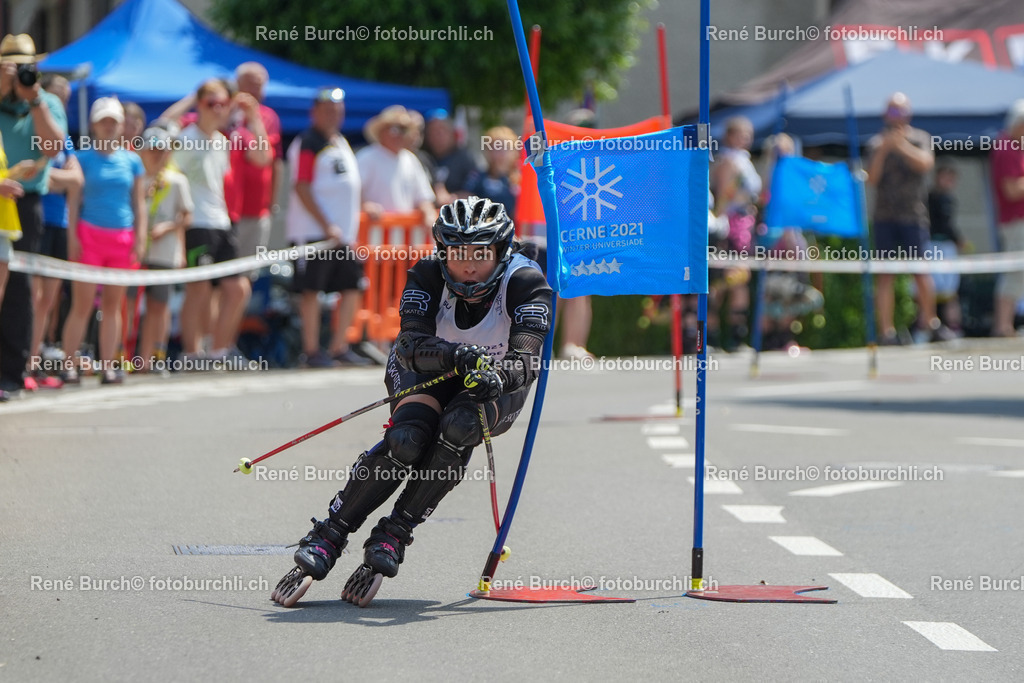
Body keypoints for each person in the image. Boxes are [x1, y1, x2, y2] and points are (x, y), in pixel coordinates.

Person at [271, 196, 552, 607]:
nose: (469, 265)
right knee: (407, 440)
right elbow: (409, 344)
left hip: (495, 378)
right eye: (457, 254)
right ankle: (329, 534)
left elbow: (527, 358)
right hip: (432, 366)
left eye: (480, 254)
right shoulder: (427, 275)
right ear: (442, 251)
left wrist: (498, 375)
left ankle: (394, 533)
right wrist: (454, 355)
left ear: (502, 252)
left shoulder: (526, 282)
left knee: (460, 427)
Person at [60, 97, 146, 385]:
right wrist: (72, 237)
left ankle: (108, 366)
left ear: (122, 126)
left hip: (122, 237)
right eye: (103, 121)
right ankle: (69, 364)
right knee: (82, 304)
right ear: (94, 125)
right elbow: (73, 203)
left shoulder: (132, 160)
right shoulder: (81, 159)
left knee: (113, 304)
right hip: (89, 235)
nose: (109, 126)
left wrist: (140, 238)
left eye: (114, 121)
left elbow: (139, 203)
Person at [0, 34, 67, 398]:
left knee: (18, 288)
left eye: (26, 66)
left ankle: (11, 372)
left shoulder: (47, 101)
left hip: (25, 203)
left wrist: (34, 99)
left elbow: (54, 147)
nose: (20, 73)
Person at [285, 87, 368, 367]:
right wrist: (326, 224)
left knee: (352, 287)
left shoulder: (340, 142)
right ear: (315, 112)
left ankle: (338, 346)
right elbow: (302, 186)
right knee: (311, 291)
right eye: (328, 110)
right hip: (314, 233)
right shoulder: (309, 142)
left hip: (341, 235)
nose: (334, 115)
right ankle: (310, 350)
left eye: (338, 110)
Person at [173, 79, 251, 363]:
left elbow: (263, 158)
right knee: (199, 289)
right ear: (199, 105)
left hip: (221, 222)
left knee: (238, 288)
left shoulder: (222, 140)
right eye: (210, 103)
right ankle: (191, 353)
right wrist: (192, 99)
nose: (218, 109)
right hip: (196, 223)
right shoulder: (184, 136)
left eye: (223, 104)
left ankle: (219, 349)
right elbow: (158, 126)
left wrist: (252, 116)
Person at [867, 92, 953, 344]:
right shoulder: (875, 143)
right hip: (884, 217)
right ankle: (886, 332)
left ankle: (930, 323)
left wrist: (901, 146)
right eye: (892, 112)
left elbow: (925, 164)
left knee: (921, 271)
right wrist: (884, 150)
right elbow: (870, 179)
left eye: (900, 111)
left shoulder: (920, 138)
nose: (896, 117)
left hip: (913, 217)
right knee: (885, 275)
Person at [30, 74, 82, 390]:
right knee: (32, 296)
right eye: (57, 93)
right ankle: (24, 360)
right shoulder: (37, 129)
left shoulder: (66, 138)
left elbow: (76, 180)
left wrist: (56, 177)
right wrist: (58, 177)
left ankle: (35, 360)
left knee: (49, 299)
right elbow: (40, 177)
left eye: (67, 94)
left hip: (60, 223)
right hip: (38, 219)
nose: (63, 99)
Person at [136, 125, 193, 371]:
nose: (157, 154)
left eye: (161, 150)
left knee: (159, 305)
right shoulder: (137, 178)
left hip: (165, 250)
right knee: (130, 304)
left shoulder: (177, 180)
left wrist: (168, 228)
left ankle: (154, 357)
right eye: (152, 150)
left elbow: (187, 217)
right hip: (138, 250)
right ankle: (129, 356)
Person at [710, 116, 761, 351]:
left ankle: (737, 337)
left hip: (745, 224)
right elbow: (724, 196)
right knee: (724, 279)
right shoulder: (728, 161)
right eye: (740, 134)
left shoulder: (743, 160)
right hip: (730, 226)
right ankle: (710, 336)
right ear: (729, 136)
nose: (745, 139)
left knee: (739, 278)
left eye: (748, 134)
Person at [357, 104, 436, 226]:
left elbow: (423, 197)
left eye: (404, 130)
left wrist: (428, 213)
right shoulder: (366, 157)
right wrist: (365, 206)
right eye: (395, 129)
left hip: (404, 237)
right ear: (381, 131)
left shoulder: (410, 159)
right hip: (373, 235)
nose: (399, 134)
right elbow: (352, 190)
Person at [990, 100, 1024, 338]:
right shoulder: (1006, 147)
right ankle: (1003, 326)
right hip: (1016, 223)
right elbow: (1011, 190)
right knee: (1014, 273)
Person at [927, 163, 966, 335]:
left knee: (950, 292)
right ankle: (927, 327)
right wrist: (958, 239)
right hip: (931, 246)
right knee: (929, 289)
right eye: (946, 177)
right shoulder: (929, 198)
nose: (949, 181)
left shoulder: (950, 199)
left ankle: (952, 327)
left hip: (946, 248)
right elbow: (944, 225)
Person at [423, 109, 478, 204]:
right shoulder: (423, 157)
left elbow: (474, 190)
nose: (438, 136)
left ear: (452, 133)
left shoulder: (464, 158)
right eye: (433, 132)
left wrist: (452, 198)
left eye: (442, 130)